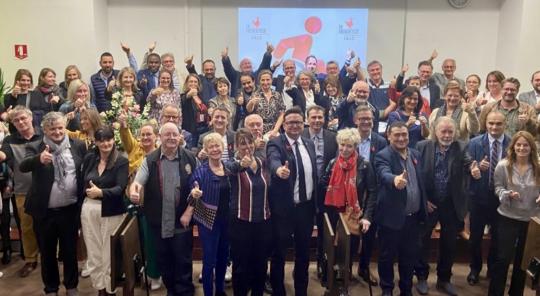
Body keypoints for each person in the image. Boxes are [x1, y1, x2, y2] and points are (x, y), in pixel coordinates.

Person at [19, 112, 87, 296]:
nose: (57, 132)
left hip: (70, 210)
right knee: (48, 254)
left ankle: (71, 286)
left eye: (60, 127)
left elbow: (86, 169)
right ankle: (51, 289)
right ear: (45, 130)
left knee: (70, 252)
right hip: (44, 212)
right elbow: (23, 165)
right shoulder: (36, 146)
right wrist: (38, 159)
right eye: (52, 129)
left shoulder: (78, 145)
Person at [413, 116, 480, 296]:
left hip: (451, 203)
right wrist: (423, 200)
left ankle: (444, 279)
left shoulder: (461, 147)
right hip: (429, 203)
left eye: (451, 131)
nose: (447, 135)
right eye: (443, 131)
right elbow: (416, 177)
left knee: (449, 244)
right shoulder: (422, 147)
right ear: (435, 131)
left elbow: (468, 161)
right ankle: (421, 277)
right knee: (422, 241)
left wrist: (473, 168)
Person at [130, 122, 198, 296]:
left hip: (182, 222)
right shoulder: (150, 160)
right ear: (159, 138)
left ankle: (184, 292)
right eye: (167, 134)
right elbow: (137, 182)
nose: (171, 138)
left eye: (174, 134)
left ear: (180, 137)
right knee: (165, 262)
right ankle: (171, 291)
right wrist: (134, 191)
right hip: (158, 223)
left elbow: (199, 188)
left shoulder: (191, 158)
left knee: (183, 263)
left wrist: (189, 211)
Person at [267, 107, 318, 296]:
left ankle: (301, 291)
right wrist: (279, 170)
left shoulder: (309, 143)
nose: (295, 126)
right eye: (290, 123)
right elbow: (272, 161)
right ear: (284, 125)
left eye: (298, 122)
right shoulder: (276, 144)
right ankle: (278, 291)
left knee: (303, 254)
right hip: (284, 210)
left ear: (303, 123)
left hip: (306, 209)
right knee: (279, 253)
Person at [374, 121, 427, 296]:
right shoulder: (383, 156)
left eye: (404, 134)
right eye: (396, 135)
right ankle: (387, 289)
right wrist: (394, 180)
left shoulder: (415, 154)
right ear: (388, 136)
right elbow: (383, 173)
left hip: (413, 219)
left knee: (409, 257)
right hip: (391, 218)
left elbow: (421, 182)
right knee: (387, 257)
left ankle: (406, 289)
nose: (401, 138)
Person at [319, 128, 376, 279]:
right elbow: (323, 184)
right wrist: (335, 187)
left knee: (348, 250)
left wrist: (367, 216)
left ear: (355, 146)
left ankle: (345, 277)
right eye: (342, 145)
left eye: (349, 146)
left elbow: (372, 192)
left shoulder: (364, 165)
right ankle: (333, 277)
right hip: (333, 213)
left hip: (352, 214)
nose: (344, 149)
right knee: (334, 248)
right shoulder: (332, 163)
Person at [488, 131, 540, 296]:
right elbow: (497, 188)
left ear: (532, 148)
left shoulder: (538, 167)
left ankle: (516, 293)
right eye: (519, 144)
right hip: (507, 217)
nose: (522, 148)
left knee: (522, 261)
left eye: (526, 145)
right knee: (502, 259)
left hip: (531, 219)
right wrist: (506, 194)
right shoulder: (503, 165)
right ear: (513, 147)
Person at [79, 126, 128, 296]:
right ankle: (100, 288)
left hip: (111, 210)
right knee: (93, 251)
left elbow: (120, 188)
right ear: (96, 142)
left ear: (114, 140)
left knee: (109, 253)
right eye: (101, 140)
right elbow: (82, 182)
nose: (105, 143)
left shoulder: (121, 160)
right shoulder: (90, 158)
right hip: (89, 209)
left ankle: (110, 288)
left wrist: (101, 193)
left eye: (109, 139)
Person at [225, 128, 271, 296]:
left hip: (263, 222)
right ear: (236, 146)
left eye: (249, 142)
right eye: (242, 143)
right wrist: (240, 164)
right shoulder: (232, 163)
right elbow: (228, 168)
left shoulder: (262, 161)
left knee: (260, 264)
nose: (247, 147)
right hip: (240, 222)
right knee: (241, 266)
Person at [467, 110, 511, 285]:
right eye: (491, 123)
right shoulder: (474, 143)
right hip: (478, 198)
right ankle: (474, 269)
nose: (494, 127)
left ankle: (492, 269)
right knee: (475, 238)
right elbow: (465, 166)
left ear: (505, 124)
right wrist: (474, 167)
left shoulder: (512, 143)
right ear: (486, 124)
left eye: (498, 124)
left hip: (502, 199)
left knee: (498, 238)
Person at [0, 106, 42, 277]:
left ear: (31, 118)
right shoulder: (10, 140)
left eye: (23, 118)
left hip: (47, 189)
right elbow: (3, 155)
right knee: (26, 228)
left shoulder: (43, 134)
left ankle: (49, 257)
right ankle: (31, 260)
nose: (21, 122)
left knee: (48, 225)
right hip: (22, 191)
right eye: (16, 120)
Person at [187, 132, 230, 296]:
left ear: (223, 147)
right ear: (205, 150)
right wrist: (194, 192)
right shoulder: (201, 171)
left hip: (227, 221)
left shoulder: (228, 167)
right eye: (211, 146)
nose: (214, 149)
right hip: (208, 223)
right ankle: (208, 293)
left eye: (217, 145)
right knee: (209, 261)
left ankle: (219, 291)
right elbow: (193, 186)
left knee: (223, 259)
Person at [302, 105, 337, 279]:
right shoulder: (300, 136)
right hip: (304, 190)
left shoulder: (333, 137)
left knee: (325, 229)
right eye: (313, 117)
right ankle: (302, 265)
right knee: (304, 229)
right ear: (307, 119)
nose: (317, 121)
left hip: (326, 191)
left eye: (320, 117)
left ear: (325, 119)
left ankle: (323, 263)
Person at [354, 105, 387, 285]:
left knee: (369, 233)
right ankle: (344, 269)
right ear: (355, 121)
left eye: (369, 119)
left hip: (373, 193)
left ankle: (364, 267)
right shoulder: (348, 138)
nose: (366, 122)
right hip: (351, 193)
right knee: (349, 235)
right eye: (362, 118)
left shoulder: (381, 141)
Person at [246, 70, 286, 137]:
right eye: (263, 80)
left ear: (271, 80)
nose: (265, 82)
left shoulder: (277, 95)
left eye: (268, 80)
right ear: (259, 81)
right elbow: (249, 110)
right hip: (259, 131)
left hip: (275, 130)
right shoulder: (255, 94)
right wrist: (251, 102)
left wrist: (275, 130)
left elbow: (282, 114)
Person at [181, 73, 209, 148]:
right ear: (187, 83)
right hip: (190, 130)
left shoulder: (201, 96)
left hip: (203, 129)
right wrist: (189, 95)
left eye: (195, 82)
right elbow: (183, 101)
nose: (193, 83)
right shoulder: (183, 96)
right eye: (191, 81)